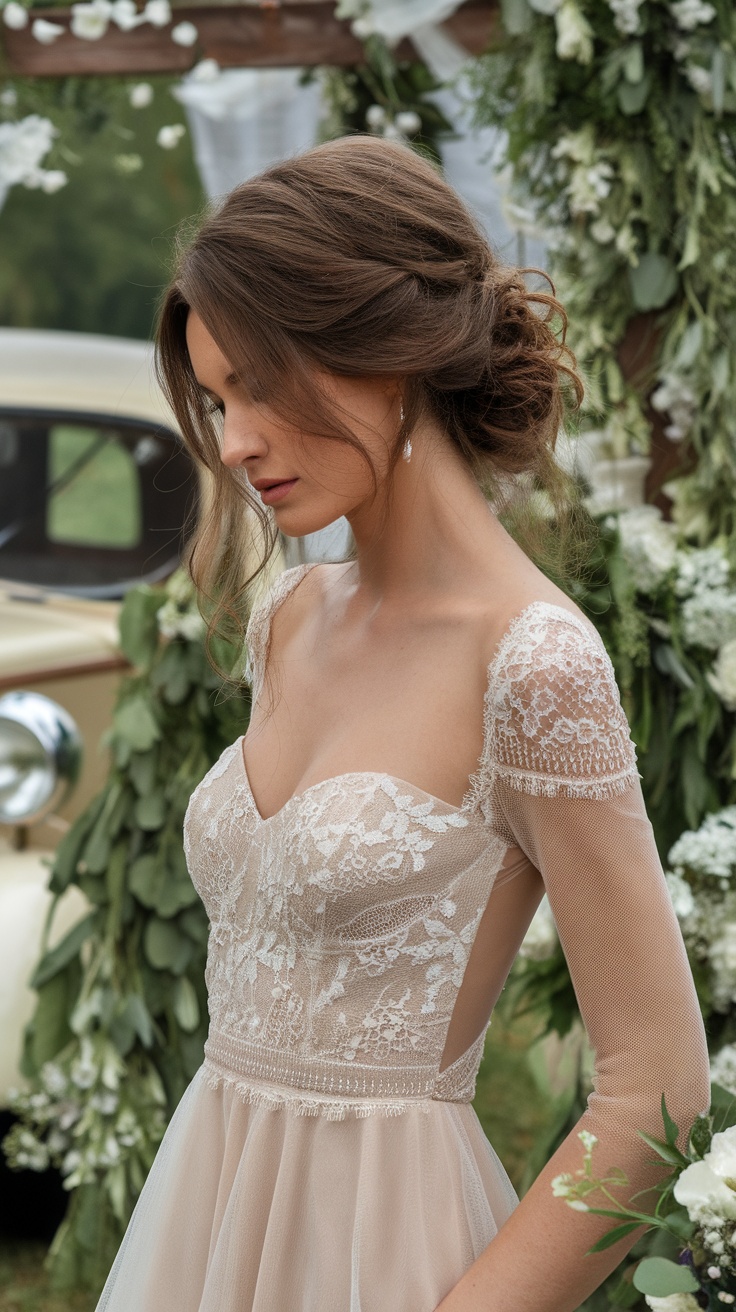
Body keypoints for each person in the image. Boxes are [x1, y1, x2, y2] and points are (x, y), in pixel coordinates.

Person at [95, 135, 710, 1312]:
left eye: (262, 387)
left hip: (387, 1255)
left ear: (393, 357)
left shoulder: (531, 661)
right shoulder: (290, 617)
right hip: (207, 1223)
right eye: (218, 401)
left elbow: (655, 1087)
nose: (232, 444)